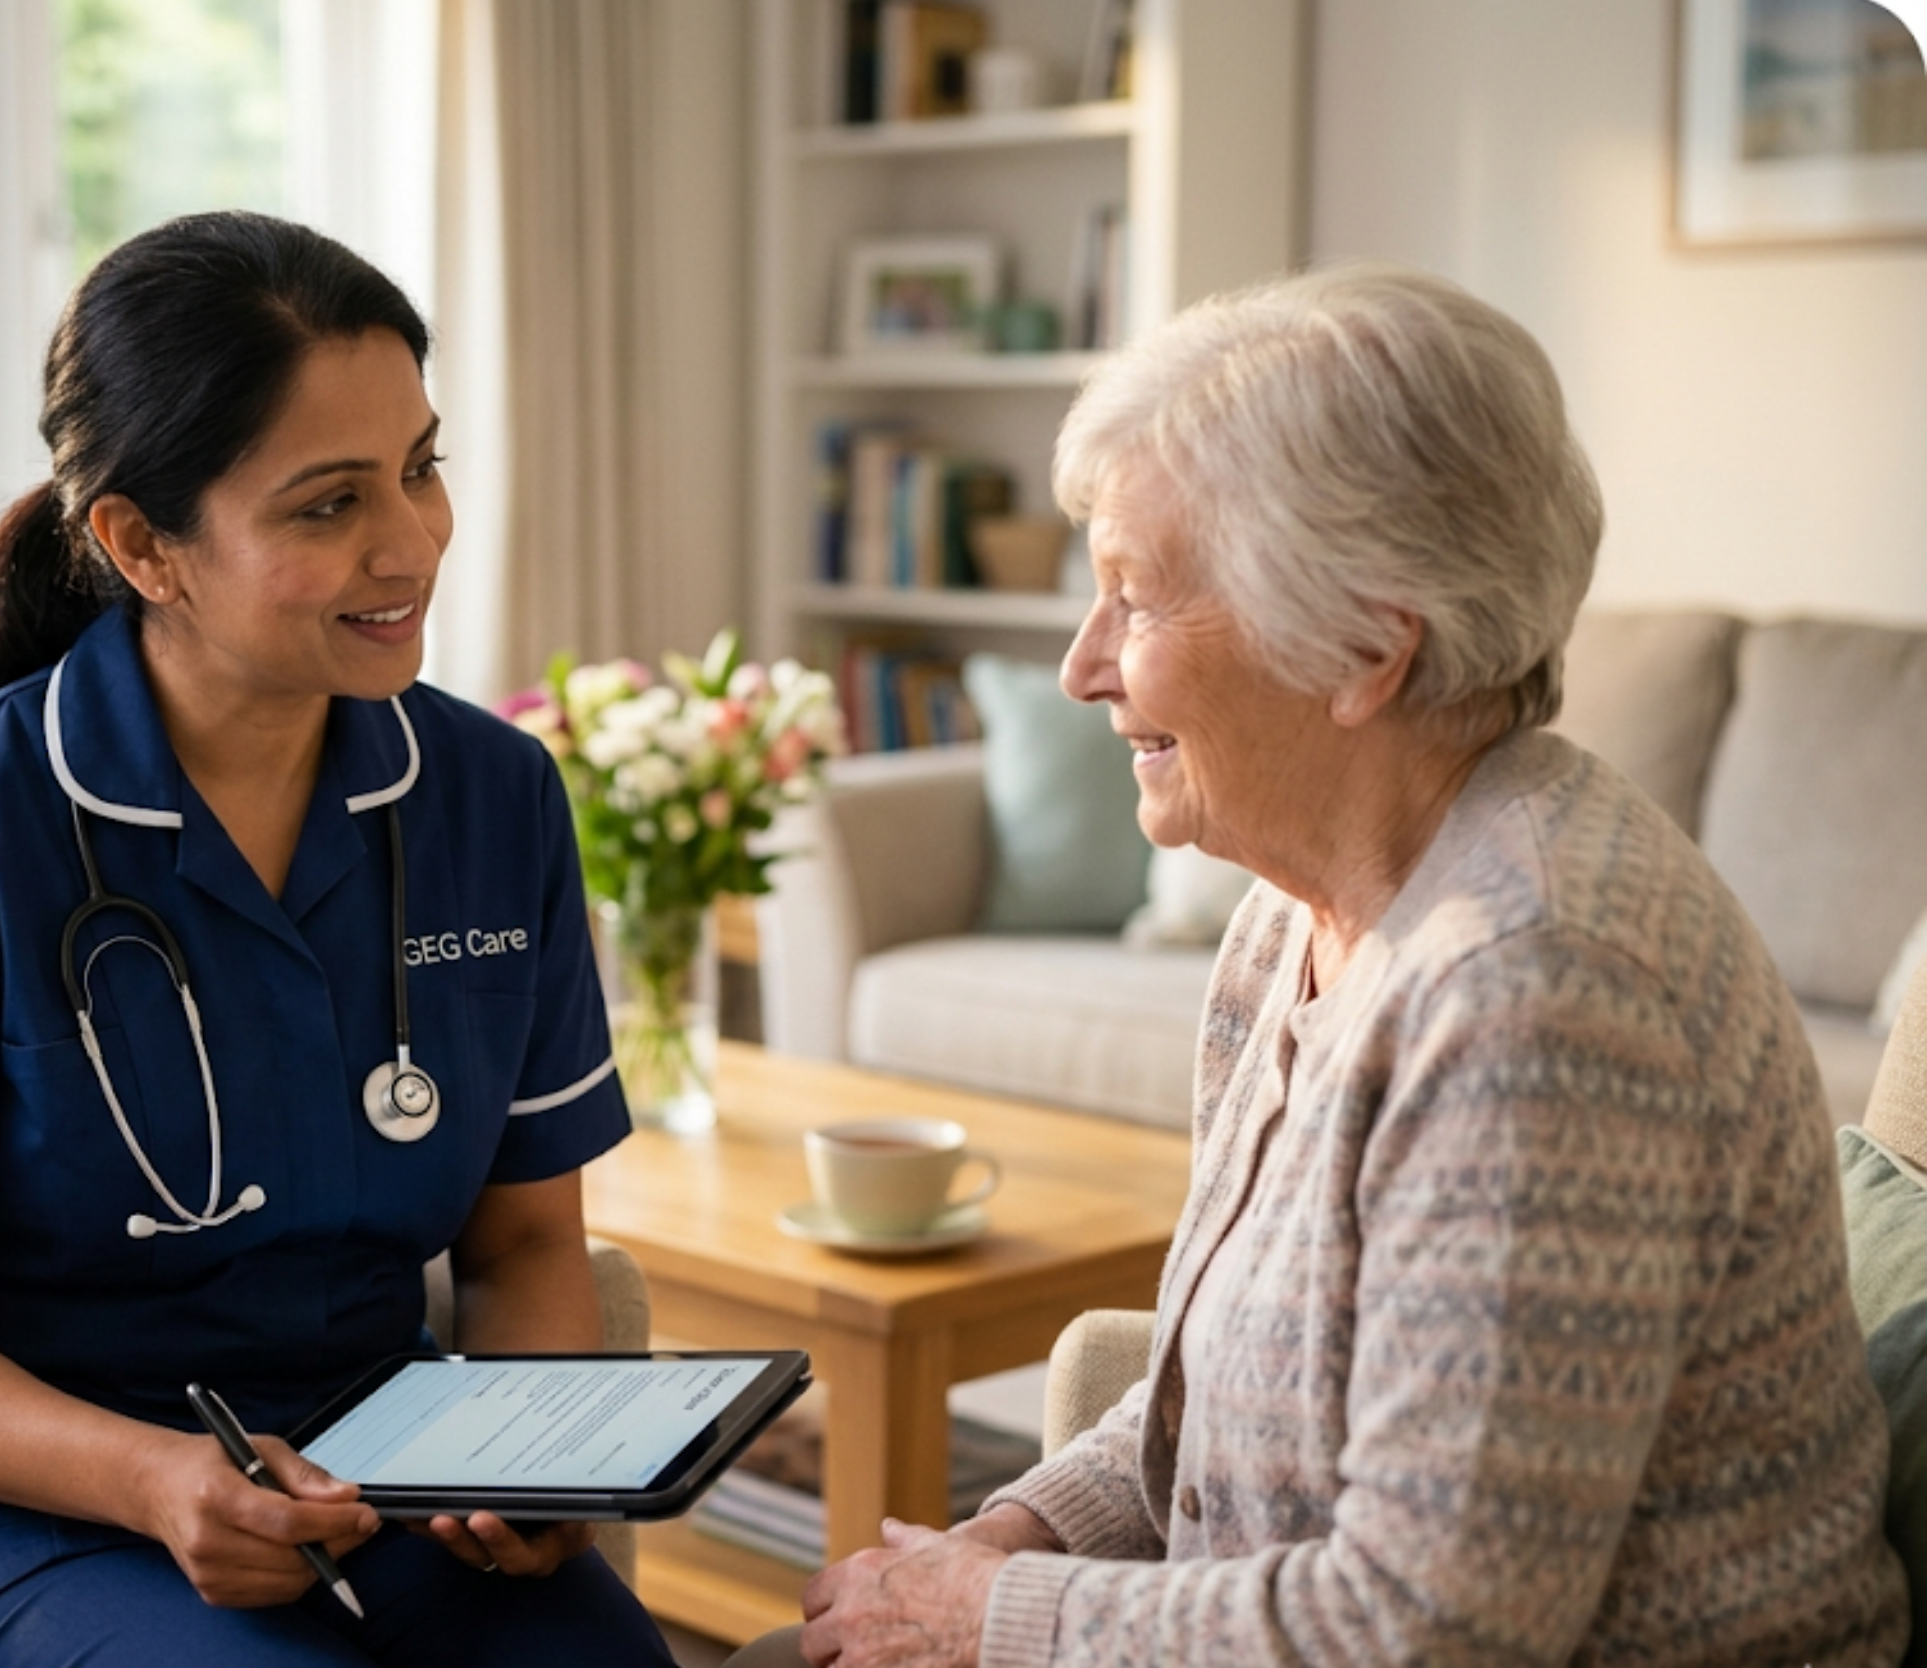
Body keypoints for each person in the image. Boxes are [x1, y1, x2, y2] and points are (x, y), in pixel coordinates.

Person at [737, 264, 1910, 1667]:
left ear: (1364, 649)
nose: (1082, 667)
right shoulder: (1297, 914)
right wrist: (1017, 1532)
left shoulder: (1536, 994)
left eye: (1133, 599)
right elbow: (1221, 1395)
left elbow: (1434, 1631)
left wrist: (990, 1620)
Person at [0, 210, 677, 1667]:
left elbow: (520, 1242)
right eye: (328, 504)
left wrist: (533, 1463)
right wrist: (153, 1479)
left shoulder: (493, 796)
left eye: (421, 467)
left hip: (369, 1473)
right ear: (142, 545)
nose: (410, 543)